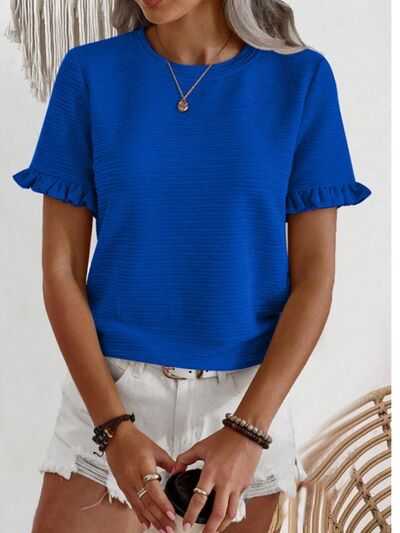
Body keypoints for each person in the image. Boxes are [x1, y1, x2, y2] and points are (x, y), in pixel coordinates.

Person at [12, 1, 372, 532]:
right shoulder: (91, 73)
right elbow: (61, 271)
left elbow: (315, 279)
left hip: (246, 404)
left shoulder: (300, 78)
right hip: (110, 396)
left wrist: (247, 432)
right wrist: (113, 429)